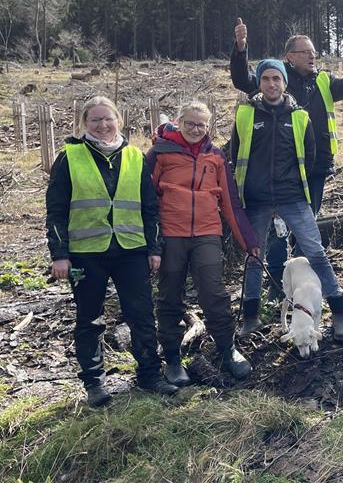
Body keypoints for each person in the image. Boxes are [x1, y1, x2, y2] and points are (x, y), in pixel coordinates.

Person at [46, 96, 177, 407]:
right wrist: (59, 254)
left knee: (142, 315)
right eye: (95, 120)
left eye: (108, 119)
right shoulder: (69, 157)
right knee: (89, 319)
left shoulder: (135, 157)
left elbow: (150, 208)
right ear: (84, 124)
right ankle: (94, 383)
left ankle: (149, 375)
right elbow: (56, 211)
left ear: (119, 120)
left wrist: (153, 248)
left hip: (131, 250)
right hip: (85, 253)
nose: (103, 125)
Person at [231, 20, 343, 298]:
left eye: (313, 52)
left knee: (307, 228)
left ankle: (304, 284)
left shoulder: (323, 81)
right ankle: (278, 282)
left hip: (315, 167)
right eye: (305, 52)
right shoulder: (275, 78)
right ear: (289, 57)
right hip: (280, 175)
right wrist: (241, 49)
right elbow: (243, 80)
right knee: (278, 231)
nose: (312, 56)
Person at [231, 59, 343, 341]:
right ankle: (250, 317)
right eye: (266, 79)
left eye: (277, 79)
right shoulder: (246, 115)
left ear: (285, 83)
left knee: (316, 253)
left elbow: (308, 160)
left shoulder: (300, 117)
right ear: (259, 83)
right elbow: (236, 155)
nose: (272, 84)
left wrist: (289, 186)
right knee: (253, 258)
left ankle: (339, 314)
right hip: (257, 200)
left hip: (293, 197)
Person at [146, 101, 260, 385]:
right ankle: (172, 358)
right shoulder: (159, 153)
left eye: (201, 125)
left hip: (207, 233)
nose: (196, 130)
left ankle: (227, 349)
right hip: (171, 233)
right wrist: (150, 241)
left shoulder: (216, 156)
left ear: (208, 127)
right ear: (178, 122)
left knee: (214, 293)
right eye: (190, 124)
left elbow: (230, 203)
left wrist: (248, 240)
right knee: (170, 295)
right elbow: (146, 199)